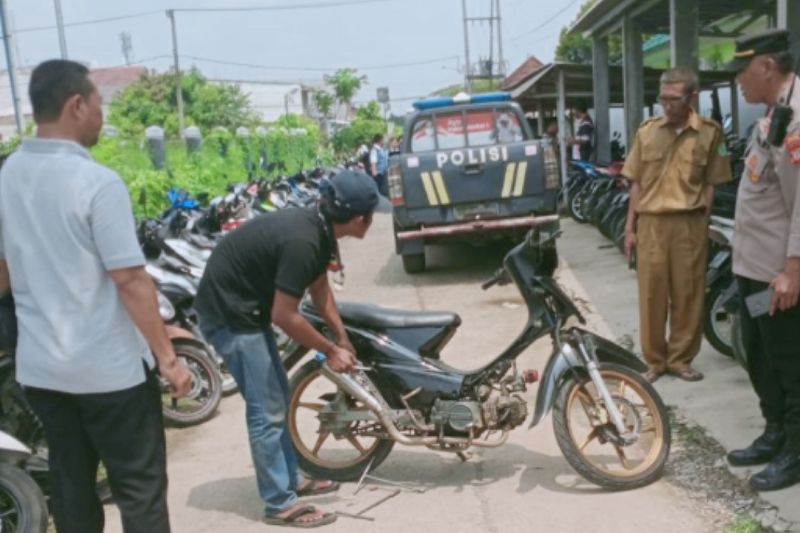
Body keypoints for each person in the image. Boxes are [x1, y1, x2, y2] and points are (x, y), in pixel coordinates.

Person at [0, 59, 192, 533]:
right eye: (100, 105)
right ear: (77, 104)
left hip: (44, 371)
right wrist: (168, 358)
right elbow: (130, 279)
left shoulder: (7, 177)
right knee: (140, 492)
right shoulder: (97, 183)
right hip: (109, 374)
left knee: (71, 487)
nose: (102, 116)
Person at [195, 169, 379, 527]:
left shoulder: (320, 228)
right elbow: (285, 315)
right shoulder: (305, 240)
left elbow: (320, 288)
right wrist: (329, 348)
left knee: (276, 396)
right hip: (230, 313)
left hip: (247, 307)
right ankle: (279, 503)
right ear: (359, 219)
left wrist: (342, 338)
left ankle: (290, 479)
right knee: (266, 410)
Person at [723, 29, 800, 492]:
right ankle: (775, 432)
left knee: (790, 363)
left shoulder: (796, 121)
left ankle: (796, 448)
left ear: (767, 65)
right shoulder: (773, 114)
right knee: (760, 357)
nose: (736, 80)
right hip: (753, 271)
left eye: (741, 70)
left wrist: (793, 269)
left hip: (778, 276)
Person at [622, 67, 732, 383]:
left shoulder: (710, 133)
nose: (667, 106)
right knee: (652, 294)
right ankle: (655, 361)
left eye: (674, 99)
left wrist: (703, 223)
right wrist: (630, 228)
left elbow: (712, 183)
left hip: (689, 223)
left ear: (691, 97)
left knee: (689, 293)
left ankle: (681, 359)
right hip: (652, 224)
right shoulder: (647, 132)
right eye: (663, 99)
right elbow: (637, 184)